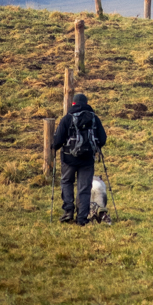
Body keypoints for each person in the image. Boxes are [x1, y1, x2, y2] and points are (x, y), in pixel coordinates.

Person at [52, 93, 107, 226]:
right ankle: (82, 218)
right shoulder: (94, 118)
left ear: (73, 104)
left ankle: (68, 212)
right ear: (87, 103)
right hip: (87, 159)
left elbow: (58, 141)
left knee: (66, 182)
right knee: (84, 187)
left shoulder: (67, 118)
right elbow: (103, 139)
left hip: (69, 158)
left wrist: (53, 146)